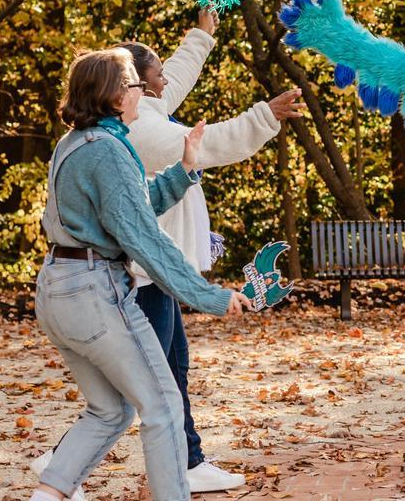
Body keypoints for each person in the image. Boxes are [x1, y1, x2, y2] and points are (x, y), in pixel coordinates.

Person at [30, 48, 252, 501]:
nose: (142, 93)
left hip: (58, 289)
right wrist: (208, 295)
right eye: (134, 85)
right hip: (94, 293)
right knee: (164, 406)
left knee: (109, 412)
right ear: (114, 94)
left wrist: (185, 169)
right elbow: (145, 240)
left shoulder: (74, 143)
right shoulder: (108, 150)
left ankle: (47, 495)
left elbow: (129, 205)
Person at [118, 10, 301, 492]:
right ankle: (61, 464)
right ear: (138, 85)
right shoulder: (142, 130)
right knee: (143, 382)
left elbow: (178, 72)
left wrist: (203, 32)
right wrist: (267, 115)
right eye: (156, 72)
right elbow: (208, 143)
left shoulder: (148, 109)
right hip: (144, 273)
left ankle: (190, 460)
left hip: (157, 271)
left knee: (170, 367)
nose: (165, 78)